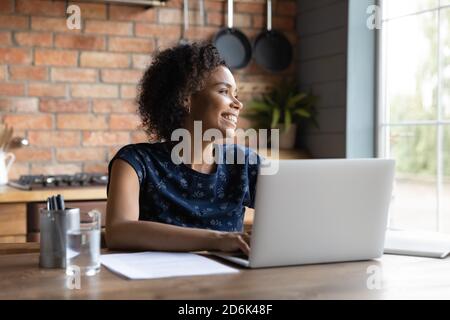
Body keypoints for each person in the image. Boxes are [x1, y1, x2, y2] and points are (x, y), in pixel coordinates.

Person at [105, 42, 260, 255]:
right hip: (156, 283)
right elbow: (119, 231)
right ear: (186, 98)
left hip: (229, 283)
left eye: (237, 94)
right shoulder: (135, 162)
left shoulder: (245, 163)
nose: (238, 104)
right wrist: (218, 239)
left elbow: (294, 215)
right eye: (224, 91)